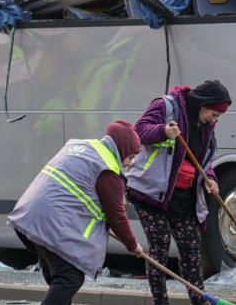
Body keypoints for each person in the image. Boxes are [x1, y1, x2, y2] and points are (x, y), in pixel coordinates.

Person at [9, 120, 144, 305]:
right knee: (70, 279)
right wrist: (132, 245)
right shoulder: (109, 171)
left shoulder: (83, 146)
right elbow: (116, 215)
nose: (130, 163)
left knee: (60, 279)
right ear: (121, 149)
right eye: (130, 157)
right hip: (50, 223)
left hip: (31, 215)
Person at [128, 80, 229, 305]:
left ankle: (199, 299)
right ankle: (161, 302)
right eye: (213, 114)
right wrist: (163, 131)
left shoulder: (206, 126)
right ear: (203, 103)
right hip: (152, 194)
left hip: (183, 197)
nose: (214, 120)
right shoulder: (166, 106)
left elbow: (205, 161)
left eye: (217, 117)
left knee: (191, 248)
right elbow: (139, 132)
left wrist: (209, 179)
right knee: (160, 247)